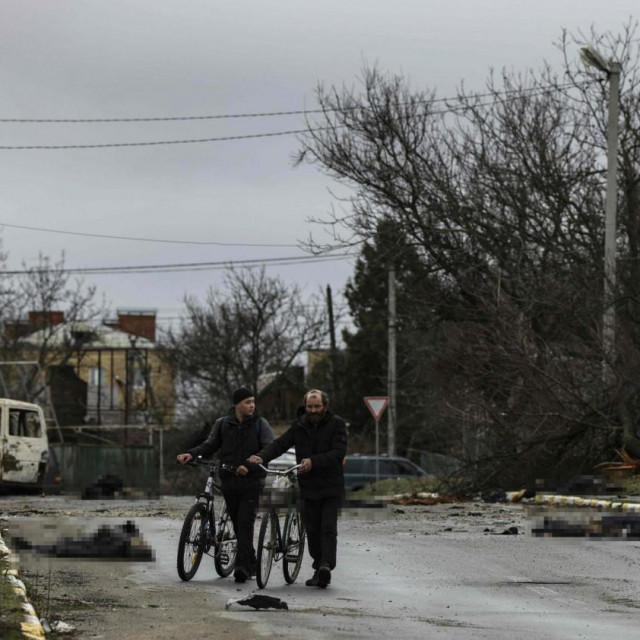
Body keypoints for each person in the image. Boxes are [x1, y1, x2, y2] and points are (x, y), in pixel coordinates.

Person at [248, 389, 347, 588]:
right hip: (308, 486)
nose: (313, 410)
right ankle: (318, 566)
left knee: (327, 527)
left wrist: (314, 461)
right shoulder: (300, 425)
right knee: (311, 530)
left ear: (324, 406)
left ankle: (326, 565)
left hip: (331, 486)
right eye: (310, 407)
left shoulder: (337, 424)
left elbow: (338, 453)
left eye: (317, 406)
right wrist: (262, 456)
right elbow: (280, 444)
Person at [177, 386, 273, 583]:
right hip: (229, 480)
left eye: (253, 402)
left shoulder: (260, 425)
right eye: (248, 402)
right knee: (238, 525)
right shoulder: (223, 424)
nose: (252, 406)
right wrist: (192, 453)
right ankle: (250, 561)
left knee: (245, 522)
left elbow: (269, 450)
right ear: (237, 404)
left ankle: (243, 567)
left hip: (252, 482)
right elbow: (210, 445)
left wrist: (249, 466)